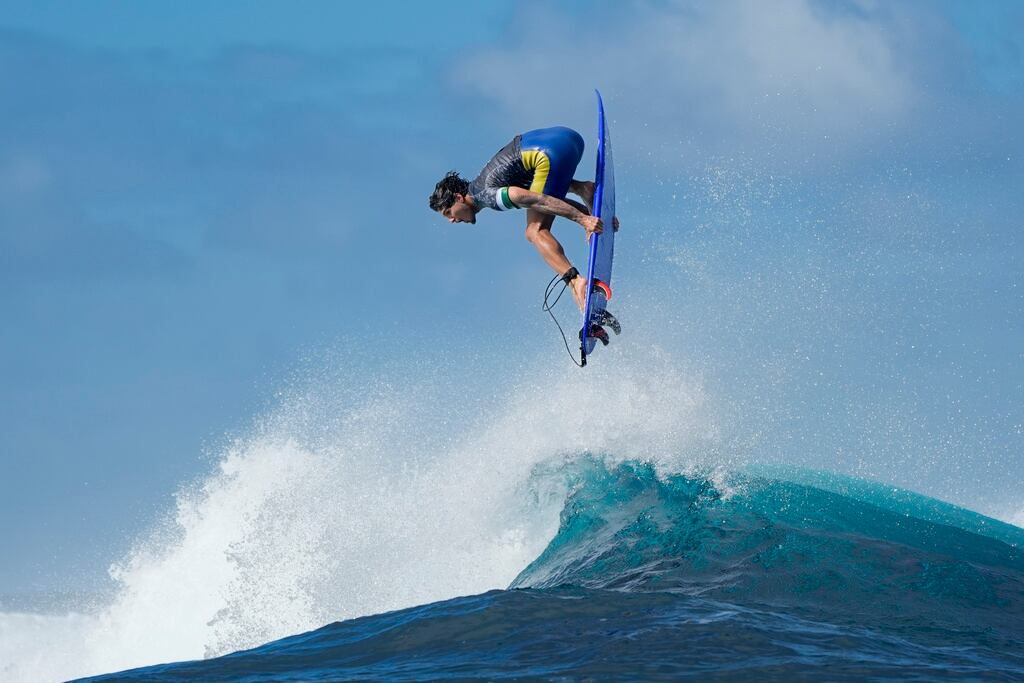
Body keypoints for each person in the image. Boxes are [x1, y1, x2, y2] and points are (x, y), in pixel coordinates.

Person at [428, 126, 616, 314]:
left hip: (549, 153)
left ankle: (576, 282)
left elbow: (534, 200)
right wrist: (588, 213)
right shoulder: (484, 183)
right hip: (571, 140)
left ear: (458, 198)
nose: (451, 220)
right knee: (538, 194)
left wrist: (582, 219)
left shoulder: (483, 195)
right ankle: (584, 189)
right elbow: (543, 198)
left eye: (448, 213)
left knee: (534, 231)